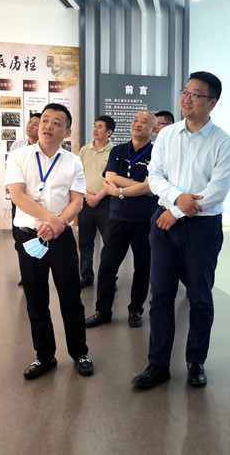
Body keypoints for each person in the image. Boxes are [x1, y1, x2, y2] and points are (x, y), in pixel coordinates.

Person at [132, 71, 230, 389]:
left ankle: (196, 361)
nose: (187, 98)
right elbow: (155, 176)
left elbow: (216, 191)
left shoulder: (223, 142)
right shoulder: (167, 136)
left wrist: (176, 211)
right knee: (161, 296)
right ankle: (158, 364)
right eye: (185, 92)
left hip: (201, 228)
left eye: (196, 94)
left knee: (200, 297)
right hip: (164, 225)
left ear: (212, 102)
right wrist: (177, 200)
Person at [5, 103, 94, 380]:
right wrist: (50, 219)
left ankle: (79, 352)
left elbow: (77, 201)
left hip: (61, 237)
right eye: (45, 120)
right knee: (36, 298)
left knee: (71, 298)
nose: (48, 126)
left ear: (66, 131)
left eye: (57, 123)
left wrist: (58, 225)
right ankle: (44, 355)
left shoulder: (73, 161)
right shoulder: (19, 156)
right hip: (30, 236)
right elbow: (18, 196)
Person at [84, 111, 158, 328]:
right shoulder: (118, 151)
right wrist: (140, 187)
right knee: (107, 266)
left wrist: (120, 190)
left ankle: (135, 309)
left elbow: (152, 188)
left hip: (145, 220)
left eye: (144, 122)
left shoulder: (156, 154)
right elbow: (110, 178)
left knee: (143, 267)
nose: (138, 124)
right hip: (117, 218)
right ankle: (102, 311)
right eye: (135, 120)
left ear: (153, 129)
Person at [77, 115, 115, 289]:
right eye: (94, 125)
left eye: (100, 126)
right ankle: (86, 276)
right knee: (85, 241)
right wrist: (87, 195)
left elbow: (113, 179)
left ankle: (109, 279)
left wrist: (98, 197)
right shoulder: (85, 150)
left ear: (109, 132)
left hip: (106, 202)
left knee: (110, 243)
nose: (95, 129)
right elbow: (78, 175)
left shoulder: (114, 151)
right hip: (86, 202)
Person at [9, 112, 41, 287]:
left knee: (36, 233)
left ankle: (36, 272)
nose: (30, 126)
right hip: (20, 197)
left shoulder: (44, 147)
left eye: (35, 124)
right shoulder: (17, 146)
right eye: (30, 122)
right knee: (19, 234)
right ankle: (26, 273)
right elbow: (12, 171)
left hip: (37, 199)